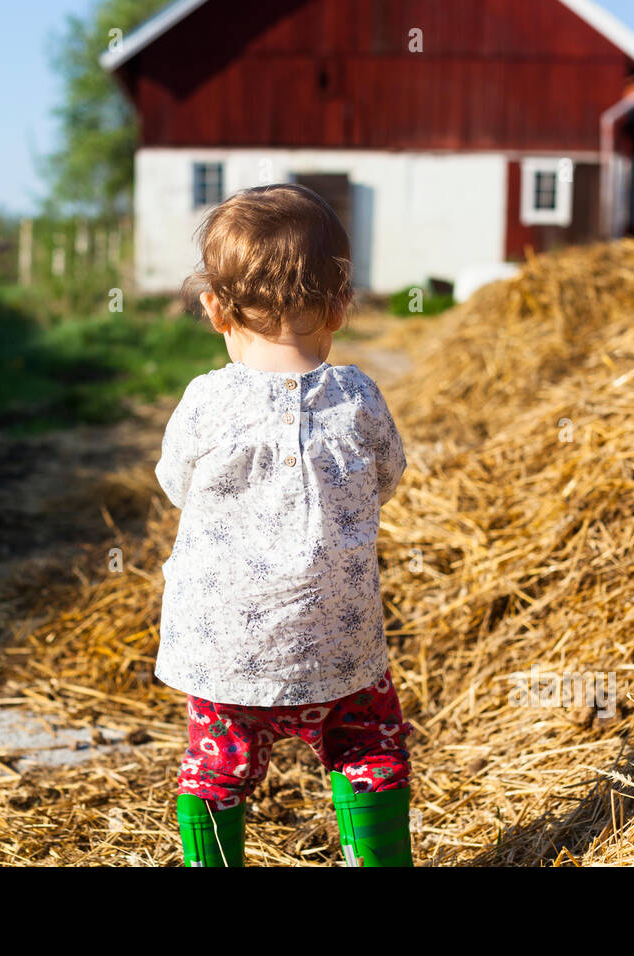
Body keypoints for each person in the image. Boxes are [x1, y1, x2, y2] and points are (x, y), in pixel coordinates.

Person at [153, 183, 413, 867]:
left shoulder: (205, 403)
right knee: (370, 753)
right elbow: (387, 478)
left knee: (216, 772)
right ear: (340, 306)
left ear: (213, 308)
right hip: (339, 649)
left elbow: (176, 483)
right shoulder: (357, 398)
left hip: (225, 656)